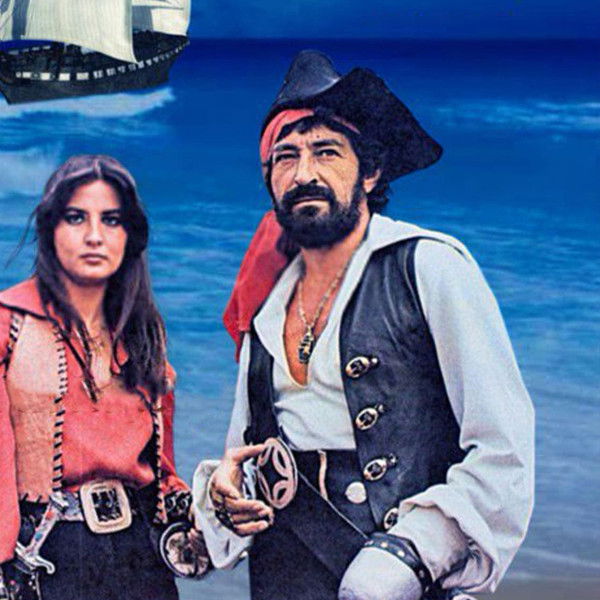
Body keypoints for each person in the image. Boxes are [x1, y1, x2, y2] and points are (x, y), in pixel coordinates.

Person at [193, 51, 534, 600]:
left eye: (326, 152)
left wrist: (414, 553)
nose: (304, 174)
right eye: (285, 157)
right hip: (282, 578)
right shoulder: (263, 310)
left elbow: (503, 448)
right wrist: (226, 495)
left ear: (370, 173)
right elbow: (251, 453)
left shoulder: (429, 267)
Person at [0, 155, 207, 600]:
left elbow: (161, 468)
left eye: (111, 220)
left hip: (140, 555)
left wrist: (196, 514)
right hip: (44, 556)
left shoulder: (143, 330)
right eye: (76, 218)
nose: (94, 235)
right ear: (51, 229)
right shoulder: (8, 322)